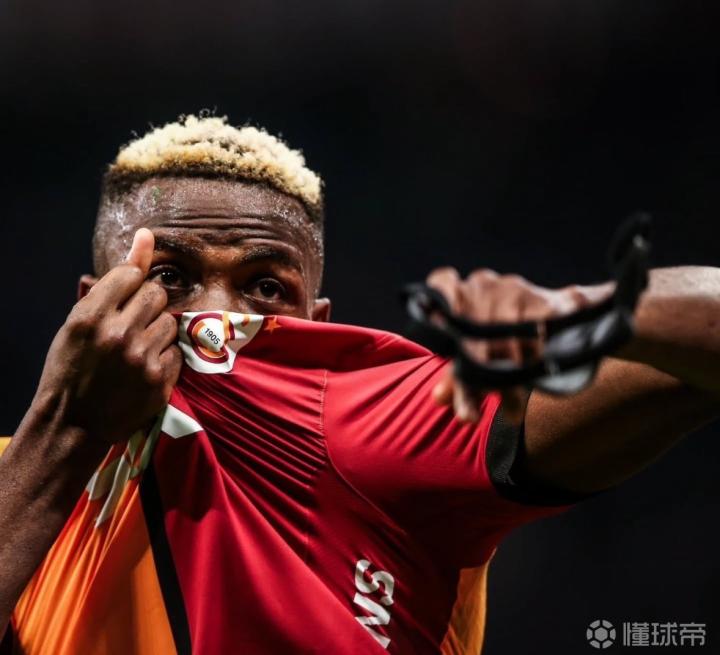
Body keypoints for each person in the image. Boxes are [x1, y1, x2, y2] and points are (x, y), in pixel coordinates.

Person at [0, 114, 718, 654]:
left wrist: (575, 314)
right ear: (89, 306)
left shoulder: (372, 419)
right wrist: (65, 428)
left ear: (317, 322)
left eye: (264, 288)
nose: (216, 320)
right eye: (170, 277)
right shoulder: (11, 472)